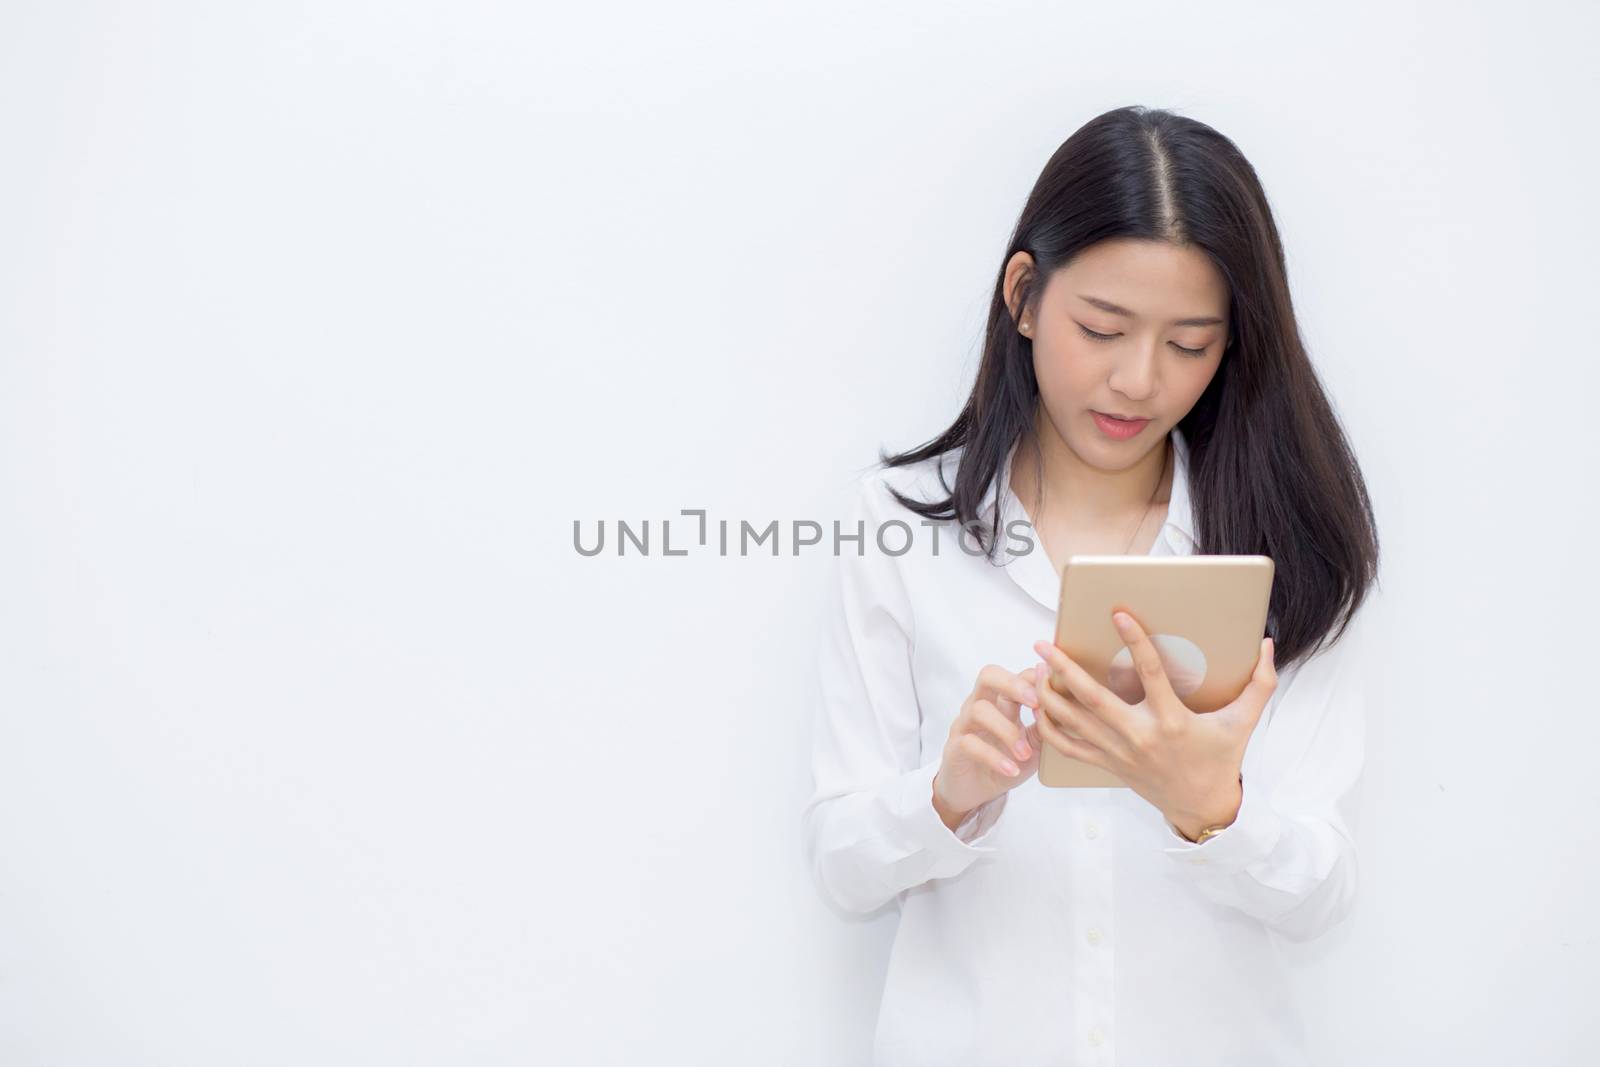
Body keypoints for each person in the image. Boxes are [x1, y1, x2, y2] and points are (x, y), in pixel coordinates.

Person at [800, 105, 1382, 1067]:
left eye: (1190, 344)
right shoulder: (898, 526)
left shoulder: (1286, 548)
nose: (1138, 381)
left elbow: (1322, 896)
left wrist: (1213, 808)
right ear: (1023, 296)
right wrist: (949, 797)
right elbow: (842, 866)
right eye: (1102, 328)